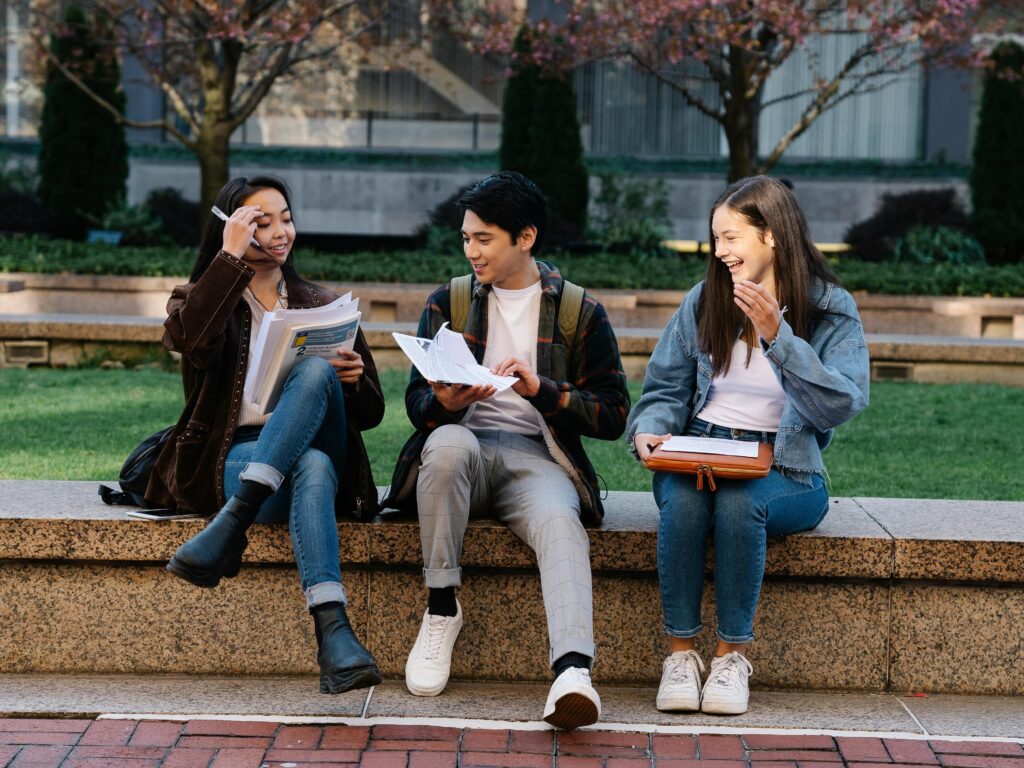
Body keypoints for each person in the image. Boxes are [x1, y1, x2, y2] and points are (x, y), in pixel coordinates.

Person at [382, 171, 630, 730]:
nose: (471, 250)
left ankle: (572, 672)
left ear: (526, 237)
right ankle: (442, 607)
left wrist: (543, 390)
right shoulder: (451, 299)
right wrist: (445, 401)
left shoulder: (577, 311)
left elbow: (614, 413)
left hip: (535, 457)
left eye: (484, 238)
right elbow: (416, 404)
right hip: (461, 447)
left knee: (560, 523)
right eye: (466, 237)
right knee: (444, 444)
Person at [627, 175, 869, 715]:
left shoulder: (829, 309)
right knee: (686, 502)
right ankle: (681, 655)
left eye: (732, 237)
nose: (721, 252)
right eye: (716, 238)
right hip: (699, 448)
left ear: (773, 235)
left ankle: (732, 657)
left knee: (741, 502)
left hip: (785, 467)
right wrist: (651, 428)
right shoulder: (706, 299)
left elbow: (843, 403)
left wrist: (779, 339)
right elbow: (665, 388)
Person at [148, 175, 384, 695]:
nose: (281, 232)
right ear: (233, 229)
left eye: (286, 217)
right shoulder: (201, 299)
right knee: (313, 467)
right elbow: (189, 343)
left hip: (309, 448)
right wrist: (228, 261)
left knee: (319, 375)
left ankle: (232, 527)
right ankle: (334, 633)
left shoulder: (320, 302)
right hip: (234, 457)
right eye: (262, 221)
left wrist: (353, 382)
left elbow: (370, 414)